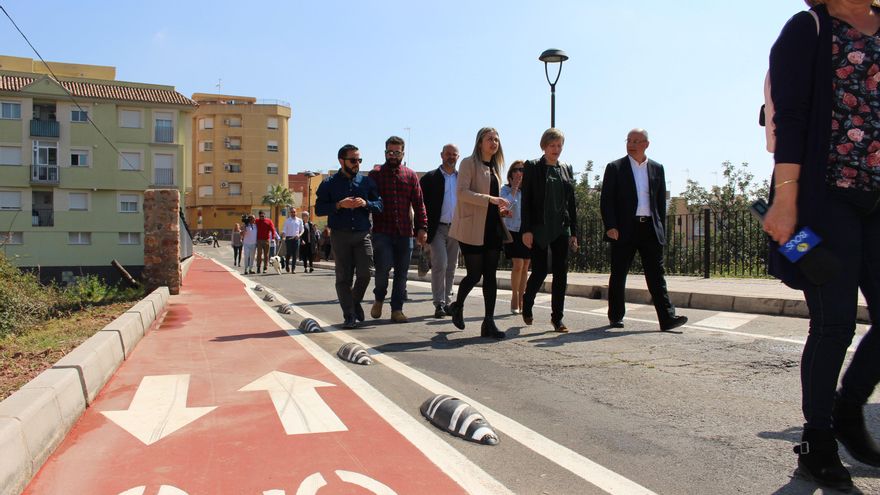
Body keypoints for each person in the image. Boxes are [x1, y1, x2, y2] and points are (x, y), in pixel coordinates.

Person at [764, 1, 880, 490]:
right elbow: (790, 120)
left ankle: (847, 409)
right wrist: (785, 199)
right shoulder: (808, 28)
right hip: (826, 197)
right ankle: (818, 441)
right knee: (834, 323)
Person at [600, 129, 687, 333]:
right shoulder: (615, 167)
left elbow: (660, 203)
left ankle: (667, 318)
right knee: (619, 273)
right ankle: (616, 316)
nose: (631, 144)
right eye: (629, 140)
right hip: (624, 229)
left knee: (656, 275)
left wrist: (661, 229)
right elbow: (606, 200)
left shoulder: (657, 168)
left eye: (636, 141)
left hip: (650, 228)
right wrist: (611, 226)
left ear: (646, 144)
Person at [447, 127, 511, 339]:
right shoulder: (468, 163)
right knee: (474, 274)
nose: (494, 143)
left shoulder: (495, 168)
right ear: (480, 143)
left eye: (497, 139)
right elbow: (462, 193)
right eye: (490, 139)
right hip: (471, 227)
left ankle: (488, 322)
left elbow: (492, 199)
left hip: (492, 227)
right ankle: (457, 305)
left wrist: (500, 208)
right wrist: (491, 200)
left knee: (491, 275)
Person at [315, 144, 383, 329]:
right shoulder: (329, 183)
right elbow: (319, 209)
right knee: (343, 277)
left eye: (359, 160)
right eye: (353, 160)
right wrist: (339, 205)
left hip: (362, 234)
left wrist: (366, 203)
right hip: (340, 235)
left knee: (366, 273)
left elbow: (379, 205)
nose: (357, 164)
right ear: (341, 161)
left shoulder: (367, 182)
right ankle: (349, 315)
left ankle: (354, 301)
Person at [521, 128, 578, 333]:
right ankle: (527, 301)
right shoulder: (533, 166)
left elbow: (571, 203)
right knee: (540, 271)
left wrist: (574, 233)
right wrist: (526, 229)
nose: (556, 149)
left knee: (561, 273)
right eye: (552, 145)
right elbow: (526, 199)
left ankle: (557, 318)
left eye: (559, 145)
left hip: (562, 227)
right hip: (539, 226)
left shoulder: (566, 168)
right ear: (544, 146)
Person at [368, 136, 428, 323]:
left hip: (405, 233)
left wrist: (422, 227)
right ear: (385, 153)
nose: (393, 155)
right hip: (382, 232)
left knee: (401, 274)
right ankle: (379, 298)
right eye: (389, 152)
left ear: (403, 153)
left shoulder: (410, 175)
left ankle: (397, 309)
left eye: (396, 152)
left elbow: (419, 203)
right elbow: (368, 200)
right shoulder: (375, 175)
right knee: (382, 269)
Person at [420, 144, 462, 318]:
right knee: (440, 264)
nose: (451, 157)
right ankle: (439, 303)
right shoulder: (430, 178)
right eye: (448, 154)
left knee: (452, 266)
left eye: (454, 154)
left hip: (457, 227)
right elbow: (419, 204)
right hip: (436, 228)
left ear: (458, 157)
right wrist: (421, 228)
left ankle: (448, 301)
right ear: (441, 155)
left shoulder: (462, 178)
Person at [500, 160, 529, 314]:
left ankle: (522, 297)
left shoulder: (529, 190)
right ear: (511, 173)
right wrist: (514, 189)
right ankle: (514, 297)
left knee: (525, 266)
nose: (519, 172)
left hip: (526, 231)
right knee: (518, 264)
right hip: (512, 230)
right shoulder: (505, 190)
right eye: (516, 169)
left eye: (523, 170)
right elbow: (504, 207)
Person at [281, 207, 303, 273]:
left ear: (296, 212)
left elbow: (302, 230)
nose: (293, 213)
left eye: (294, 212)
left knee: (295, 254)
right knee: (288, 253)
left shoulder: (299, 220)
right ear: (290, 213)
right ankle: (287, 265)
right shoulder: (287, 221)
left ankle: (293, 269)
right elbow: (284, 230)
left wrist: (299, 235)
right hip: (288, 238)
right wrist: (283, 237)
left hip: (296, 238)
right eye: (292, 212)